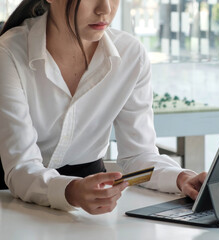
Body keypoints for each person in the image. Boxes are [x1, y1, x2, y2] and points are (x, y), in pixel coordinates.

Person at [0, 0, 206, 215]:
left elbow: (138, 156)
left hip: (90, 205)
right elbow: (22, 167)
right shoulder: (9, 52)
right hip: (10, 204)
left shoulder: (130, 54)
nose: (105, 9)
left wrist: (182, 178)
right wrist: (70, 191)